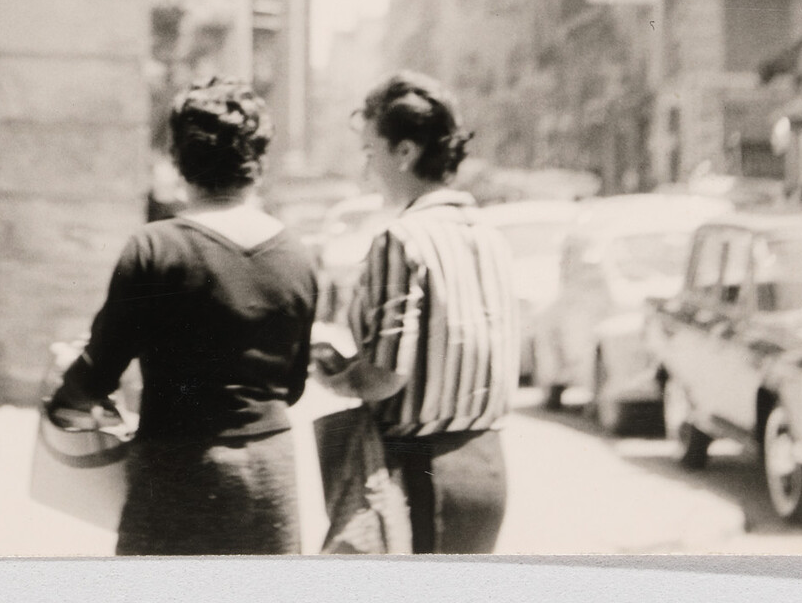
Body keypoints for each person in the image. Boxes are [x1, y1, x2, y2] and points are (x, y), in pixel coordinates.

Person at [47, 78, 317, 555]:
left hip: (176, 473)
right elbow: (292, 388)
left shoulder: (154, 248)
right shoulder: (297, 257)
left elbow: (98, 375)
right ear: (259, 161)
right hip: (269, 478)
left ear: (179, 158)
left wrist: (64, 383)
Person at [313, 70, 518, 554]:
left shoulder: (402, 239)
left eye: (370, 152)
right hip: (487, 470)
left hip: (420, 473)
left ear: (405, 152)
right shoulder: (489, 235)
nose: (366, 169)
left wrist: (335, 376)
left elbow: (385, 375)